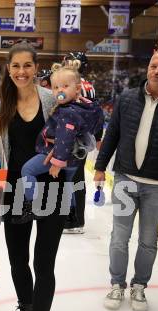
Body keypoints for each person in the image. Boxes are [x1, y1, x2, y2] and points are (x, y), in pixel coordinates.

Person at [0, 42, 68, 311]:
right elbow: (0, 150)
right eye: (15, 67)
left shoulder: (52, 99)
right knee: (16, 259)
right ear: (8, 70)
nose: (21, 72)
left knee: (44, 262)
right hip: (13, 188)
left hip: (52, 188)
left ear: (36, 68)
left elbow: (76, 136)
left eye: (27, 66)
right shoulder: (4, 103)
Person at [94, 48, 158, 311]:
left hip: (157, 186)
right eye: (153, 66)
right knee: (119, 237)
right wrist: (100, 167)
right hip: (125, 179)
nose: (156, 71)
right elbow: (111, 135)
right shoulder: (127, 98)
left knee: (148, 240)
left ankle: (139, 286)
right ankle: (116, 284)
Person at [13, 60, 103, 224]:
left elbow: (64, 138)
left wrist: (57, 163)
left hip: (58, 155)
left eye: (64, 86)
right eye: (55, 87)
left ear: (76, 89)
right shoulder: (86, 107)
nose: (59, 90)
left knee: (27, 170)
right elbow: (95, 124)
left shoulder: (67, 112)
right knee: (67, 183)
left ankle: (32, 205)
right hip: (74, 159)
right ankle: (71, 213)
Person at [62, 52, 103, 234]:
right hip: (83, 139)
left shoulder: (73, 84)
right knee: (76, 178)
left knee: (70, 178)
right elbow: (97, 115)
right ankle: (75, 219)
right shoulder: (89, 86)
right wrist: (97, 137)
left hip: (71, 137)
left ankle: (72, 220)